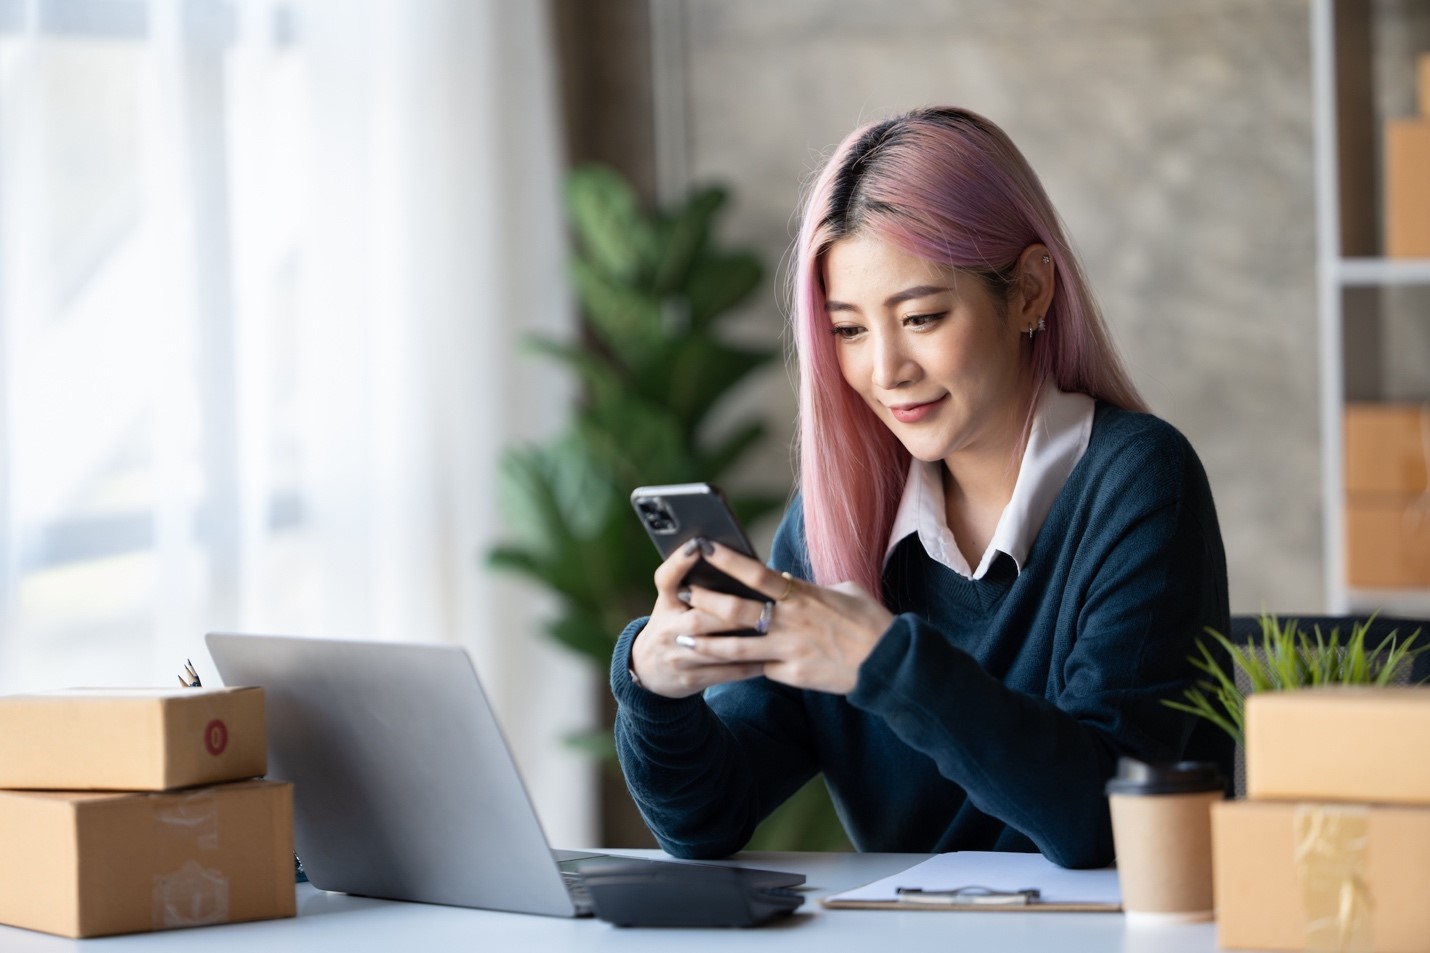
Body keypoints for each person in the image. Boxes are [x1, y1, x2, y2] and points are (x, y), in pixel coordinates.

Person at [609, 106, 1230, 869]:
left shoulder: (1137, 482)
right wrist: (656, 686)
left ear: (1031, 291)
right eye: (849, 330)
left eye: (923, 316)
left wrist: (883, 661)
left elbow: (1108, 822)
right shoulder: (833, 523)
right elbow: (707, 818)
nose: (885, 369)